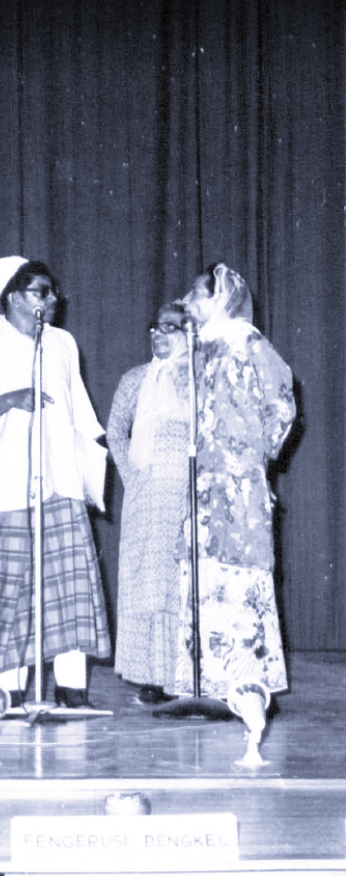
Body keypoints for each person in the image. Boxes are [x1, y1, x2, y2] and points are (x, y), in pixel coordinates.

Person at [0, 256, 111, 708]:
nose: (52, 298)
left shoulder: (62, 343)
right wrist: (6, 400)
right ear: (14, 298)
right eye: (41, 291)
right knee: (15, 588)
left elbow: (81, 411)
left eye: (52, 290)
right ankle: (8, 689)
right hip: (12, 483)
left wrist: (90, 470)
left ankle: (72, 688)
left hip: (63, 481)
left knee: (71, 587)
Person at [175, 262, 296, 703]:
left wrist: (252, 460)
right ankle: (206, 683)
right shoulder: (206, 351)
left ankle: (243, 686)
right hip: (206, 486)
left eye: (195, 294)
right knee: (204, 574)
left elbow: (282, 404)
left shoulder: (248, 343)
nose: (187, 302)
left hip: (239, 489)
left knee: (239, 576)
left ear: (221, 298)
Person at [107, 303, 189, 704]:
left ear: (189, 334)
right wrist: (132, 476)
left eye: (170, 328)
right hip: (144, 497)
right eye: (155, 327)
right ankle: (153, 678)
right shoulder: (135, 379)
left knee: (179, 583)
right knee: (147, 585)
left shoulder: (199, 379)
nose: (159, 334)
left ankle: (184, 676)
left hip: (187, 496)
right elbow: (115, 431)